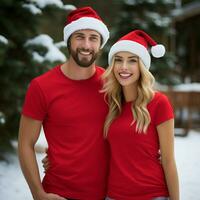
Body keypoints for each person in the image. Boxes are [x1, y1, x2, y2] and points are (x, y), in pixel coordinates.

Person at [18, 6, 110, 200]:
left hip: (109, 192)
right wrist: (38, 194)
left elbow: (136, 123)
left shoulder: (113, 84)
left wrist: (157, 151)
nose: (86, 45)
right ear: (68, 40)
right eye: (79, 37)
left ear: (101, 43)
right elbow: (25, 143)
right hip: (59, 193)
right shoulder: (41, 86)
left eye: (93, 38)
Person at [101, 30, 179, 200]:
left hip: (151, 194)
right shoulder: (110, 104)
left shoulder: (159, 103)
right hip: (114, 195)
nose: (123, 67)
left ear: (142, 66)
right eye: (118, 60)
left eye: (132, 61)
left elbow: (168, 160)